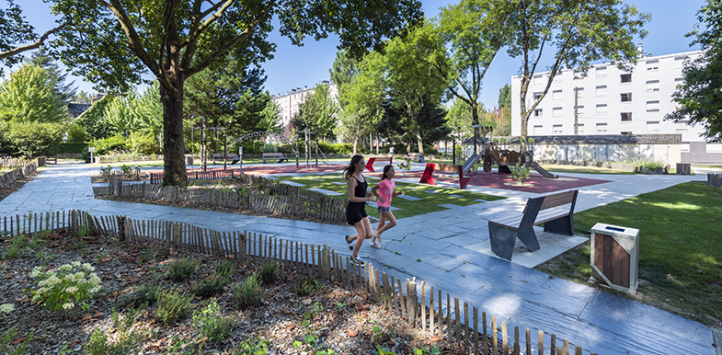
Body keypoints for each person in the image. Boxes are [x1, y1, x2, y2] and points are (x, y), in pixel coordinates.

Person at [343, 155, 377, 266]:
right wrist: (368, 199)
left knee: (369, 234)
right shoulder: (353, 179)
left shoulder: (361, 176)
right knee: (362, 234)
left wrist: (367, 194)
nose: (364, 165)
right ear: (355, 164)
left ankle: (350, 238)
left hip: (361, 209)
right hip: (353, 210)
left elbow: (361, 189)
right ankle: (354, 256)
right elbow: (352, 197)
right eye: (361, 163)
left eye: (364, 163)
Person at [370, 164, 402, 248]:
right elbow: (373, 189)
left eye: (394, 171)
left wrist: (398, 194)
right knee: (394, 222)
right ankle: (379, 233)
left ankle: (373, 241)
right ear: (386, 173)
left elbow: (392, 194)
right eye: (391, 171)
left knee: (382, 223)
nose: (393, 172)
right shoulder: (383, 182)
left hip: (387, 205)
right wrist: (379, 197)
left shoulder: (393, 182)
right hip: (382, 205)